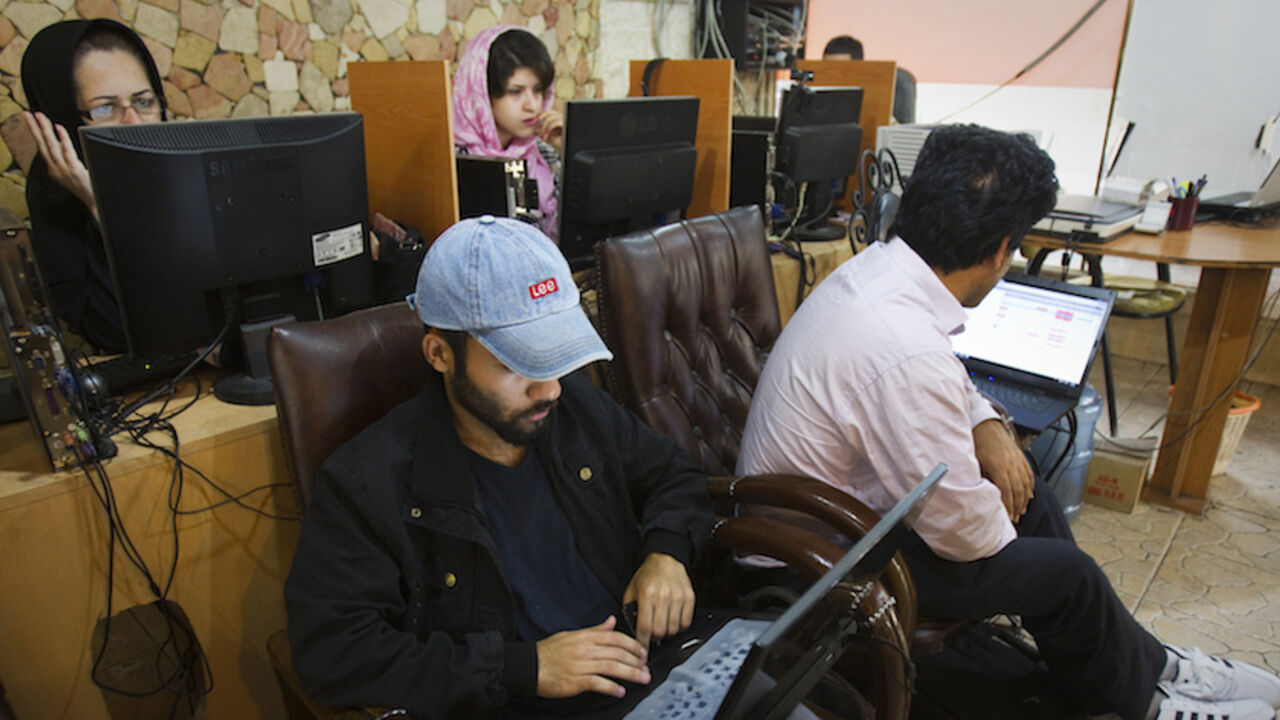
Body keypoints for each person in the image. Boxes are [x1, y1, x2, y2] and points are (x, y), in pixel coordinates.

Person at [737, 124, 1280, 720]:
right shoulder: (902, 345)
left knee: (1035, 499)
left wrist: (989, 428)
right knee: (1066, 576)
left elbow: (939, 380)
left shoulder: (882, 274)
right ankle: (1145, 700)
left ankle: (1143, 665)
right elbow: (962, 532)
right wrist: (1001, 500)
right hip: (814, 564)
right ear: (1001, 249)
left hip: (845, 521)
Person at [285, 215, 715, 717]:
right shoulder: (367, 483)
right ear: (440, 354)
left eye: (554, 353)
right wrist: (522, 668)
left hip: (651, 668)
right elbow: (333, 656)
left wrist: (666, 552)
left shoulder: (570, 405)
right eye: (516, 364)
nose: (548, 386)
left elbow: (673, 474)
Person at [20, 19, 167, 353]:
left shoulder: (182, 166)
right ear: (62, 118)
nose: (133, 123)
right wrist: (99, 205)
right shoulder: (55, 196)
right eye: (104, 108)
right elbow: (114, 333)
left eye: (143, 101)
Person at [453, 25, 563, 240]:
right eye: (515, 92)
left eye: (538, 90)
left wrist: (567, 150)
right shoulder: (452, 158)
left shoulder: (541, 154)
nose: (532, 105)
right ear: (482, 94)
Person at [822, 34, 915, 125]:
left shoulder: (873, 102)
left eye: (841, 70)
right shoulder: (817, 102)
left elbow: (895, 133)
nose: (833, 77)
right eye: (828, 69)